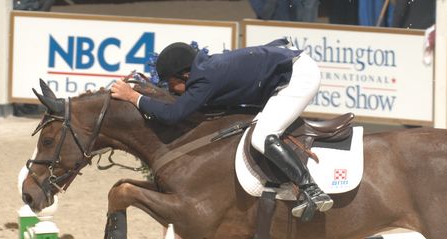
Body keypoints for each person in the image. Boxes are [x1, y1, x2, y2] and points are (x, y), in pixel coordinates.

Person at [110, 39, 334, 220]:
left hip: (299, 77)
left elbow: (173, 115)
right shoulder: (203, 70)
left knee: (263, 136)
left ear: (184, 74)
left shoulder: (204, 78)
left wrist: (133, 97)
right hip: (284, 67)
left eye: (170, 82)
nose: (170, 88)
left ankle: (310, 189)